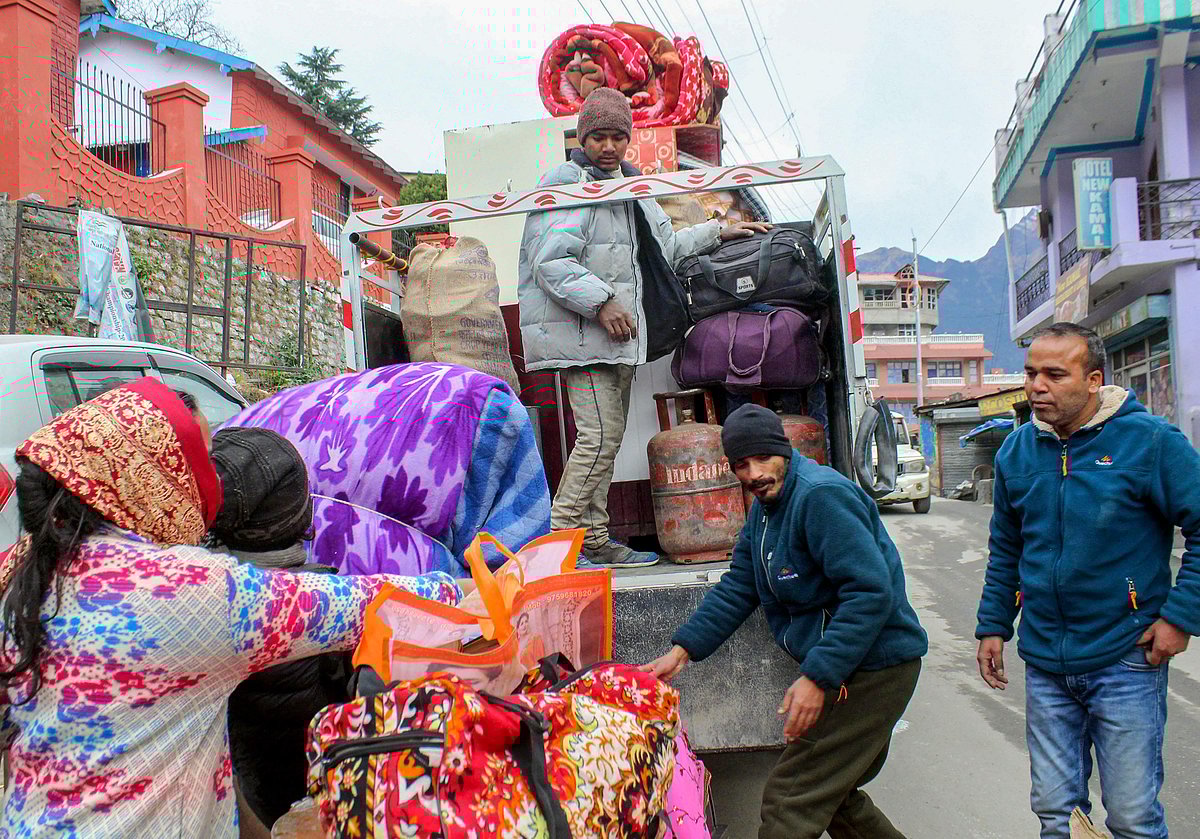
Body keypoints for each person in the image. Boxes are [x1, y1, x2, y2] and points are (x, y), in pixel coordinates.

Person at [0, 378, 461, 837]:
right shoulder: (187, 591)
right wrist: (474, 589)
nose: (211, 481)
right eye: (200, 461)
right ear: (153, 476)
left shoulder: (24, 570)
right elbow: (370, 605)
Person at [641, 405, 928, 838]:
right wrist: (682, 650)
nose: (753, 473)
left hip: (874, 668)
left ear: (784, 450)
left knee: (789, 803)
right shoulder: (765, 507)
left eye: (762, 458)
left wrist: (817, 677)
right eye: (741, 464)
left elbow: (870, 593)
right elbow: (742, 584)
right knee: (832, 796)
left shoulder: (819, 497)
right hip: (846, 666)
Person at [518, 86, 769, 567]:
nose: (608, 147)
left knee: (606, 440)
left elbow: (666, 247)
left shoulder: (631, 186)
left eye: (617, 137)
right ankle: (559, 539)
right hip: (583, 337)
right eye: (598, 137)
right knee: (595, 438)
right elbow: (550, 260)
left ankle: (592, 539)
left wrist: (719, 231)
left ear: (628, 140)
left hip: (616, 338)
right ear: (582, 138)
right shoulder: (568, 183)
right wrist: (603, 302)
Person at [975, 322, 1200, 839]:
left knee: (1132, 819)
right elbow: (1007, 548)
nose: (1037, 386)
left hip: (1126, 657)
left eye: (1055, 374)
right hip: (1046, 662)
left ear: (1093, 379)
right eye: (1032, 373)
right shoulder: (1016, 452)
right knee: (1056, 815)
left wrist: (1179, 618)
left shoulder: (1149, 442)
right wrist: (993, 625)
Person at [208, 427, 353, 832]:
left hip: (238, 800)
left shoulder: (191, 594)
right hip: (308, 800)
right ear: (299, 513)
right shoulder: (322, 602)